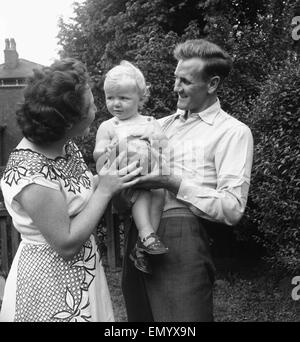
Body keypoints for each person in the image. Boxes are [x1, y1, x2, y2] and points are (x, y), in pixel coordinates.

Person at [119, 39, 254, 322]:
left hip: (182, 240)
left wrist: (173, 182)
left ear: (212, 84)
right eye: (175, 78)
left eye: (185, 81)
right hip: (139, 232)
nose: (175, 87)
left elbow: (232, 208)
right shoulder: (158, 125)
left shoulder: (233, 132)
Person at [0, 58, 142, 322]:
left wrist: (110, 175)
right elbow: (65, 243)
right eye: (90, 106)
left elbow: (80, 192)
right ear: (67, 122)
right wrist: (104, 190)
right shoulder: (30, 172)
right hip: (49, 282)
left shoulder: (65, 146)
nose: (97, 109)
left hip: (83, 271)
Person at [93, 61, 169, 275]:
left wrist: (155, 140)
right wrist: (106, 150)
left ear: (140, 97)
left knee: (159, 192)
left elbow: (165, 148)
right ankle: (146, 235)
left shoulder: (150, 122)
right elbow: (98, 153)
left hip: (148, 173)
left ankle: (144, 244)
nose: (116, 104)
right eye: (110, 98)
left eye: (123, 98)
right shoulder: (108, 126)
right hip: (124, 179)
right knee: (143, 191)